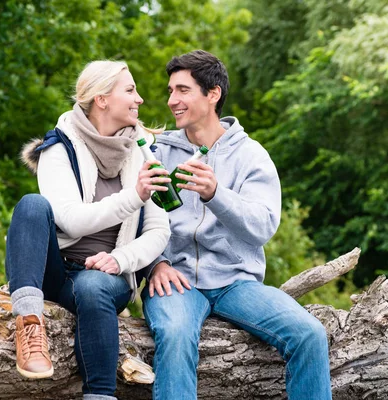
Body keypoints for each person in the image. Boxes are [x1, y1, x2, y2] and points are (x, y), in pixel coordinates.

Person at [140, 50, 332, 399]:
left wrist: (216, 194)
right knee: (175, 334)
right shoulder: (157, 153)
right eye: (170, 91)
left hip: (236, 283)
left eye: (182, 90)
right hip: (176, 280)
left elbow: (263, 226)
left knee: (309, 334)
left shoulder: (251, 156)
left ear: (212, 94)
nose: (172, 100)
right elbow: (136, 221)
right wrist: (156, 264)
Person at [6, 60, 171, 400]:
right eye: (130, 90)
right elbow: (70, 219)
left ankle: (100, 395)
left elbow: (158, 230)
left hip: (110, 277)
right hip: (58, 272)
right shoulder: (58, 148)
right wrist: (133, 196)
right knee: (31, 205)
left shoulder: (144, 152)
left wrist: (121, 258)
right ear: (102, 99)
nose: (139, 99)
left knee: (94, 285)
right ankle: (29, 327)